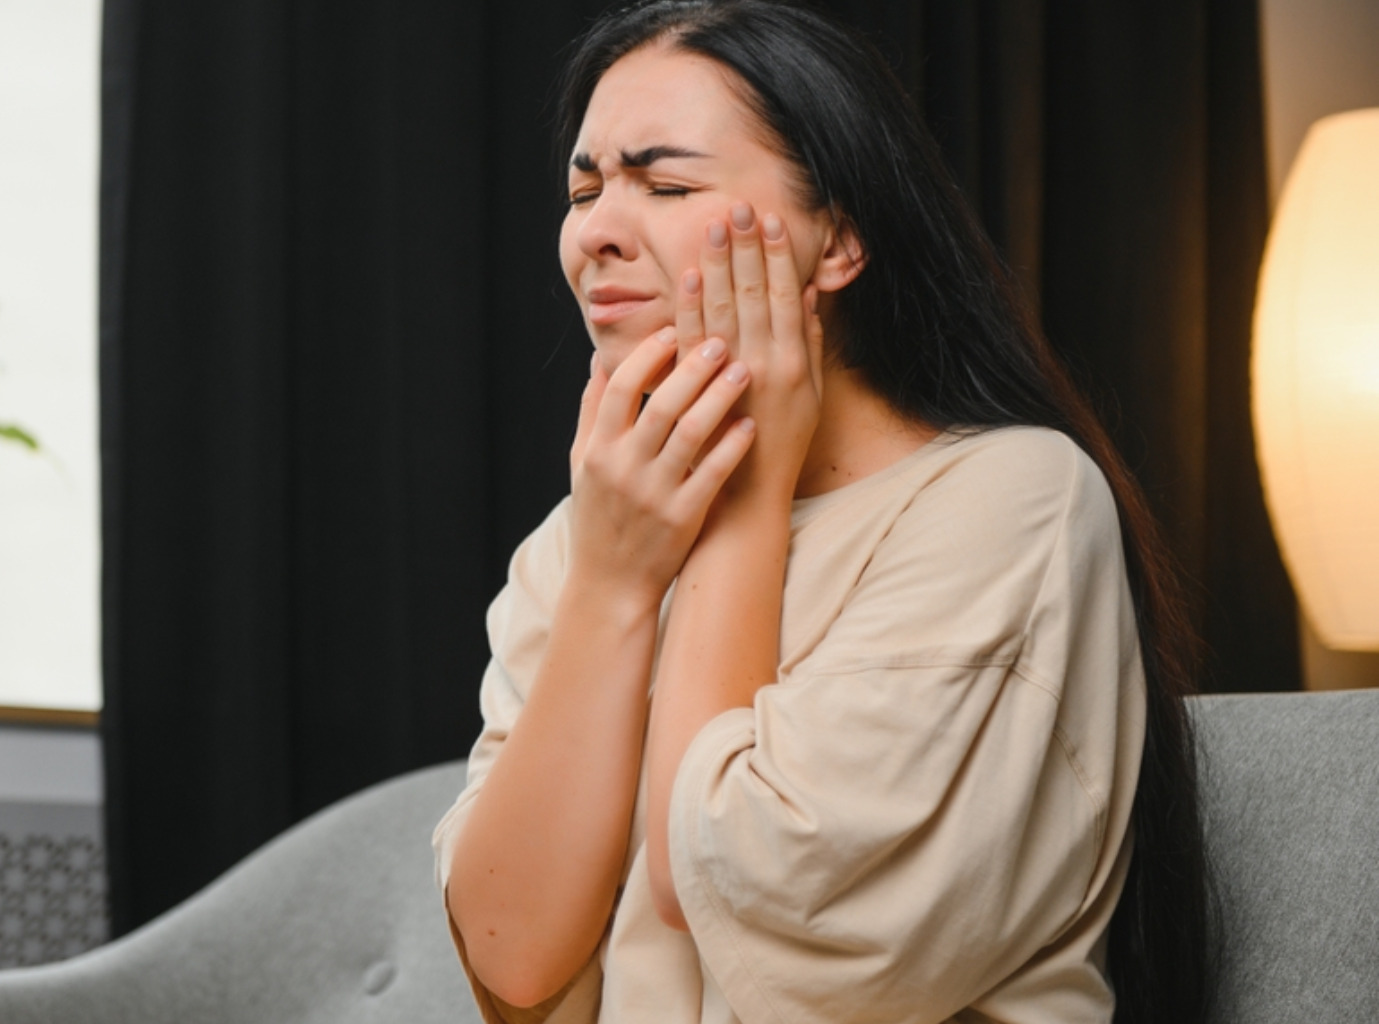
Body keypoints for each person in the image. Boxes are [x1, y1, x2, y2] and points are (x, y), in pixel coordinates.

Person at [432, 2, 1211, 1023]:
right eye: (584, 190)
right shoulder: (584, 544)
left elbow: (739, 879)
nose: (596, 235)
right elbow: (512, 961)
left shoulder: (1010, 501)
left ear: (837, 240)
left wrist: (745, 502)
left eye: (664, 185)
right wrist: (614, 581)